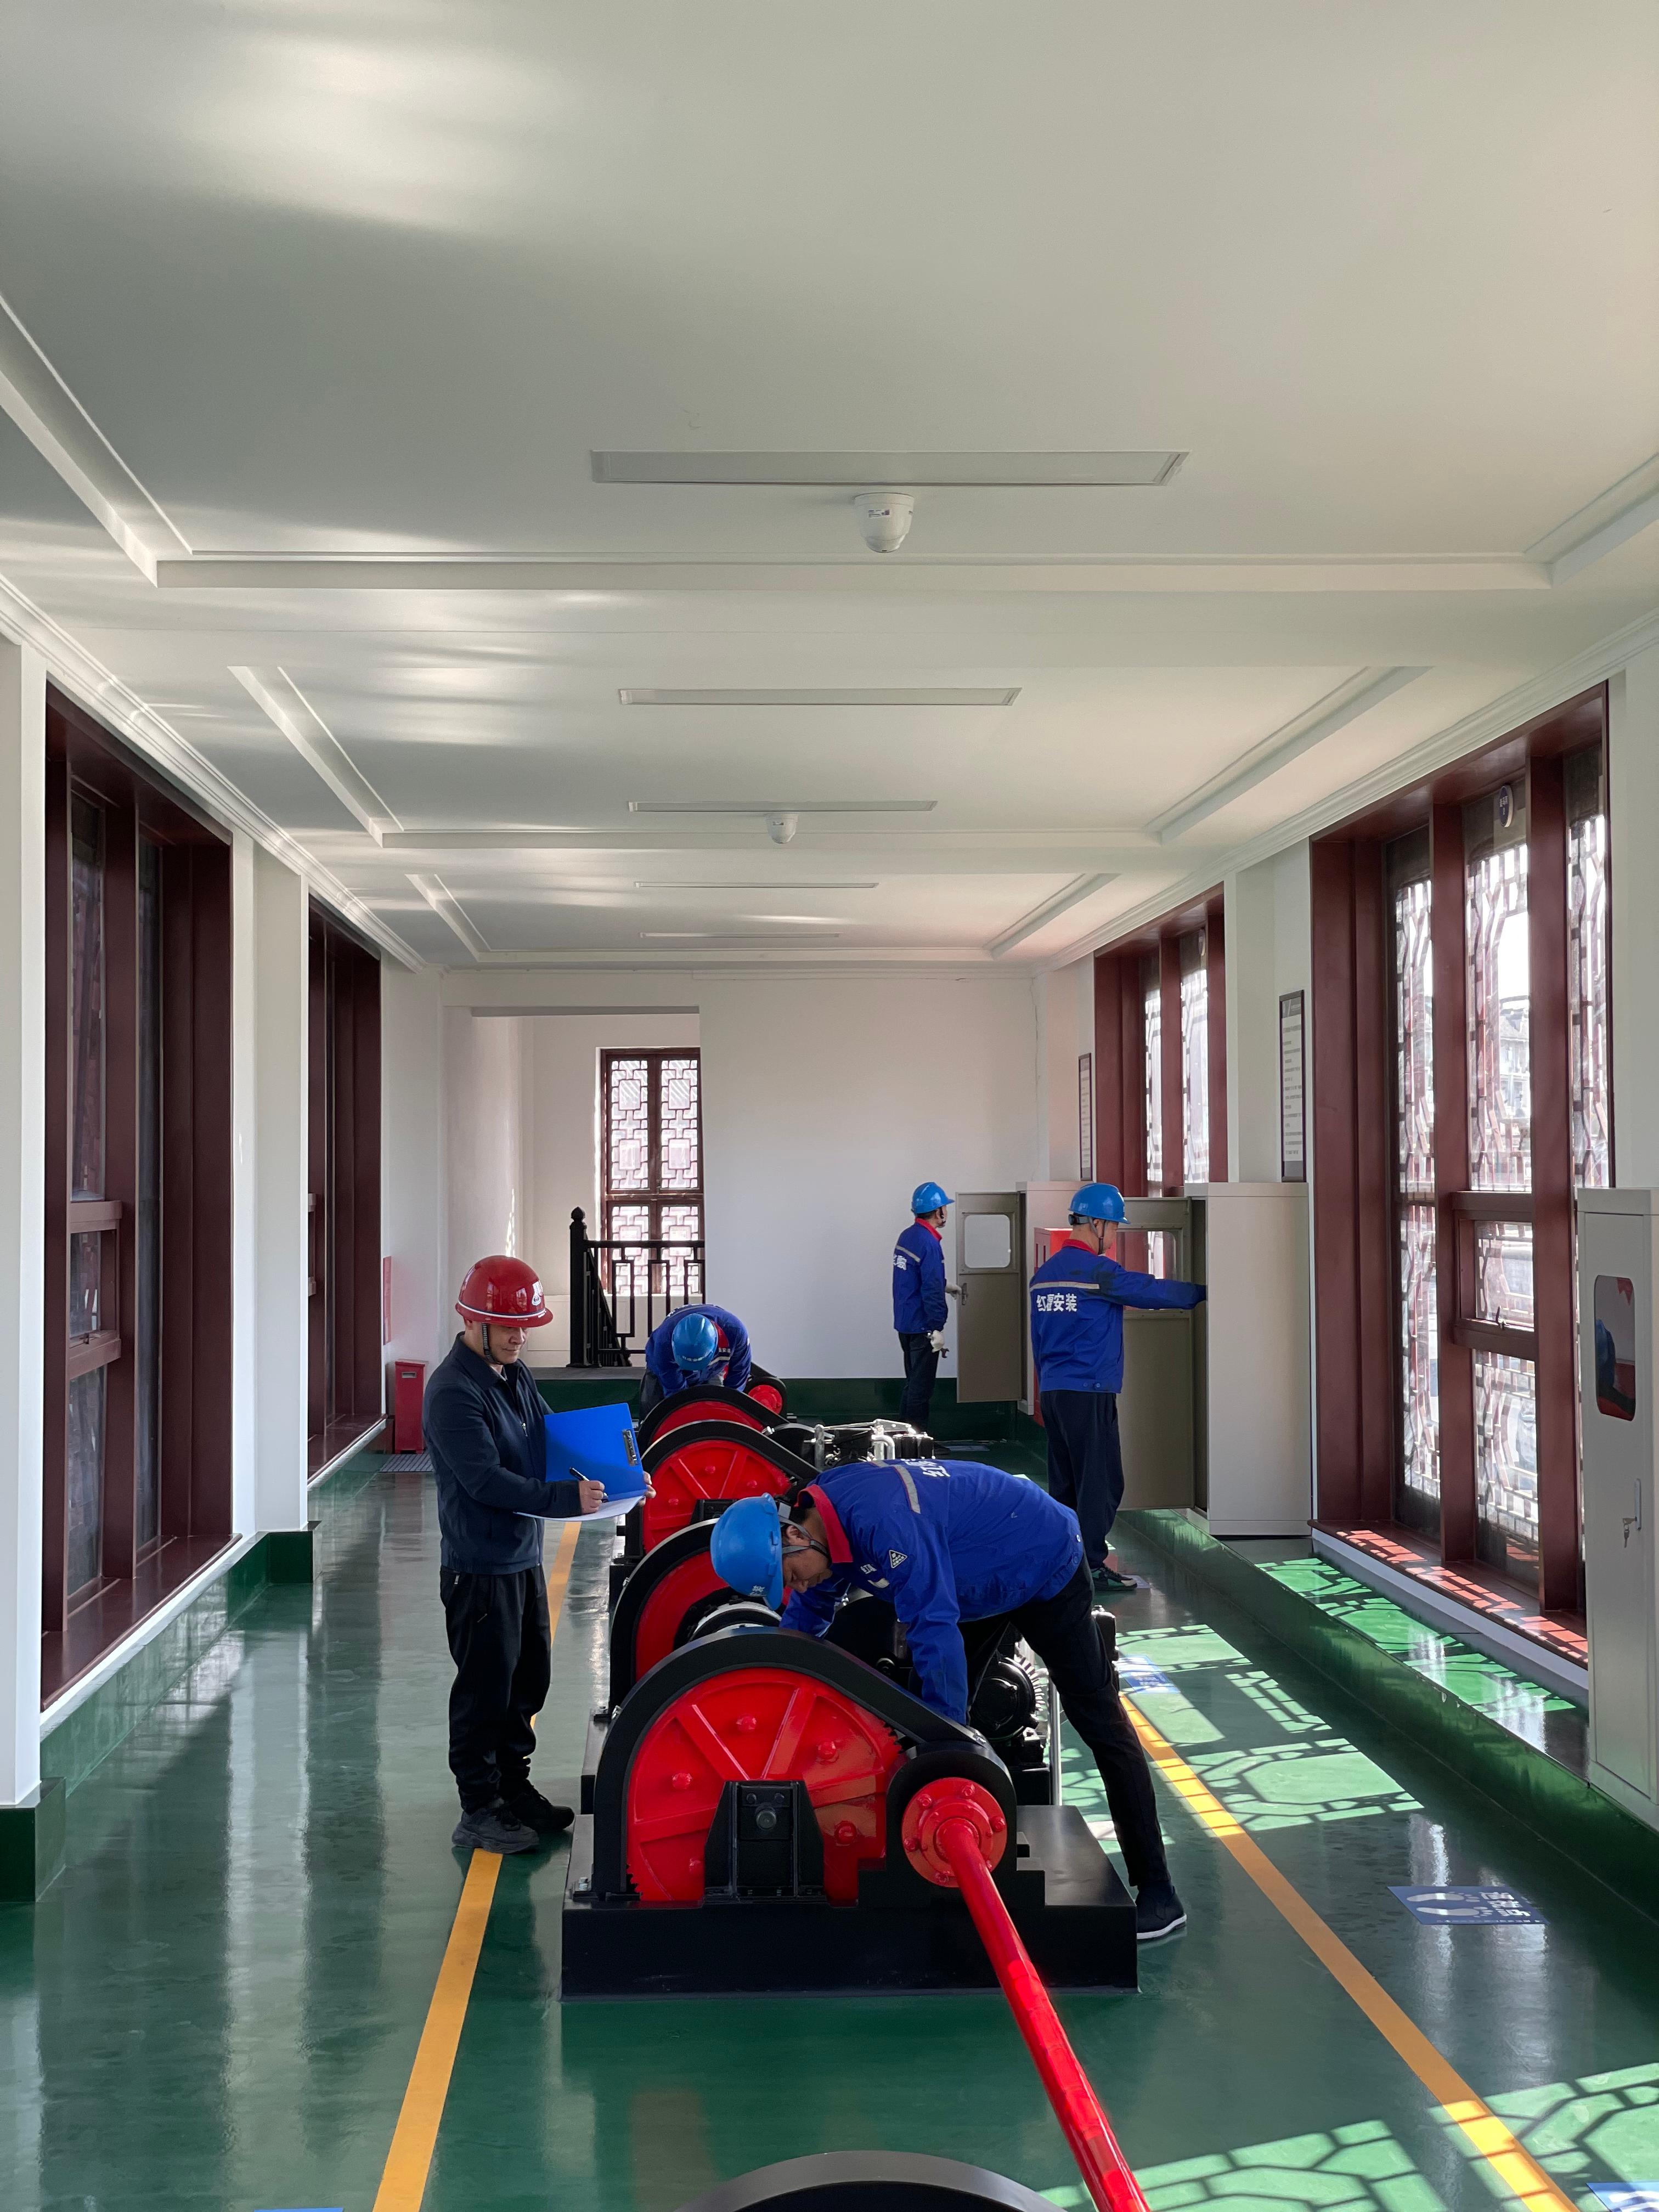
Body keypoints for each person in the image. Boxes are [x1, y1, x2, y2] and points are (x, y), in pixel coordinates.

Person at [709, 1464, 1187, 1942]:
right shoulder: (820, 1522)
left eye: (792, 1576)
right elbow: (810, 1614)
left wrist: (947, 1757)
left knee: (1097, 1720)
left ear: (794, 1535)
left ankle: (1159, 1892)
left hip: (1043, 1556)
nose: (798, 1587)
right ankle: (933, 1870)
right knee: (924, 1716)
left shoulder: (882, 1523)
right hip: (973, 1579)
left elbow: (933, 1628)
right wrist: (773, 1700)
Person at [424, 1254, 605, 1856]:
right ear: (472, 1323)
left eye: (525, 1326)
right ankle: (478, 1808)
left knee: (528, 1680)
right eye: (508, 1327)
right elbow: (486, 1482)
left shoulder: (513, 1374)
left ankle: (512, 1787)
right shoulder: (452, 1393)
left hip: (521, 1559)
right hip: (479, 1568)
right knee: (485, 1691)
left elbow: (553, 1439)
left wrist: (622, 1475)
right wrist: (566, 1499)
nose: (520, 1336)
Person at [1030, 1182, 1205, 1595]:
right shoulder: (1098, 1273)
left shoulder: (1044, 1276)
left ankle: (1066, 1563)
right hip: (1089, 1392)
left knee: (1066, 1483)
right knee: (1101, 1483)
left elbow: (1038, 1341)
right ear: (1097, 1223)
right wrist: (1204, 1292)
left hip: (1054, 1392)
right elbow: (1149, 1290)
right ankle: (1089, 1566)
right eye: (1114, 1227)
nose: (1114, 1236)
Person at [893, 1181, 951, 1427]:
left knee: (912, 1383)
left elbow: (915, 1278)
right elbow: (930, 1287)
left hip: (905, 1322)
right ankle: (915, 1442)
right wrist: (937, 1327)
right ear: (939, 1212)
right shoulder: (929, 1243)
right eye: (945, 1207)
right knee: (921, 1388)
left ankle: (903, 1437)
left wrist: (945, 1285)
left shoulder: (908, 1236)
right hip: (923, 1326)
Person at [639, 1302, 752, 1413]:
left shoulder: (736, 1333)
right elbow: (674, 1390)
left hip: (711, 1371)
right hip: (664, 1373)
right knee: (658, 1414)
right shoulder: (664, 1341)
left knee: (716, 1411)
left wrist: (730, 1406)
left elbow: (739, 1373)